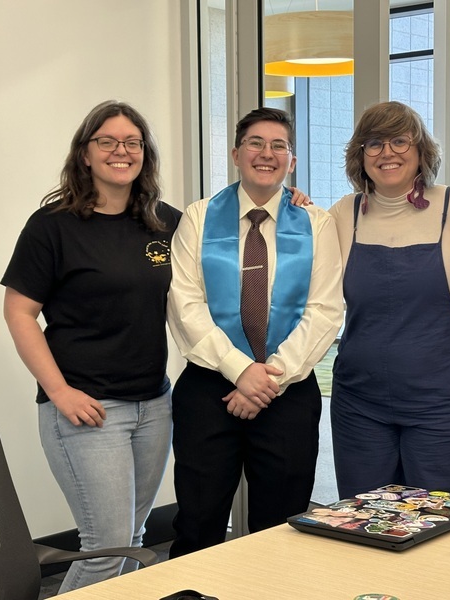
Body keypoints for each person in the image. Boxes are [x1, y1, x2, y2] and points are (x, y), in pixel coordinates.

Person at [1, 100, 180, 592]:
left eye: (132, 142)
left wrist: (291, 204)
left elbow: (227, 246)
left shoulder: (164, 222)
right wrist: (59, 392)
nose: (121, 151)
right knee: (106, 545)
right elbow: (19, 312)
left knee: (133, 538)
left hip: (153, 404)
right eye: (107, 141)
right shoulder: (53, 226)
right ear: (85, 153)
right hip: (87, 407)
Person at [167, 107, 343, 557]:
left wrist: (269, 377)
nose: (267, 154)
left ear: (292, 160)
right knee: (198, 525)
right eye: (256, 143)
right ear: (235, 154)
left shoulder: (317, 224)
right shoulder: (199, 217)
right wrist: (239, 369)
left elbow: (324, 310)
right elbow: (185, 305)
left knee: (281, 532)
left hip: (287, 393)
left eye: (279, 145)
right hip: (210, 391)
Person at [329, 101, 450, 500]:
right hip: (360, 404)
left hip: (447, 403)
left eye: (400, 141)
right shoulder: (340, 215)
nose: (388, 153)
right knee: (366, 522)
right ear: (360, 156)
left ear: (421, 151)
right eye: (374, 143)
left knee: (445, 521)